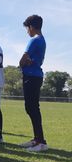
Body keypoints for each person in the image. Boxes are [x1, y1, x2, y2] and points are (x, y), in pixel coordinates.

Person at [19, 15, 48, 152]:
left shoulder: (34, 40)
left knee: (32, 108)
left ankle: (41, 141)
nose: (27, 32)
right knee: (32, 108)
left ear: (31, 27)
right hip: (36, 77)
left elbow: (23, 60)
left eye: (27, 28)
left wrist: (23, 63)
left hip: (31, 77)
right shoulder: (42, 40)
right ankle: (37, 139)